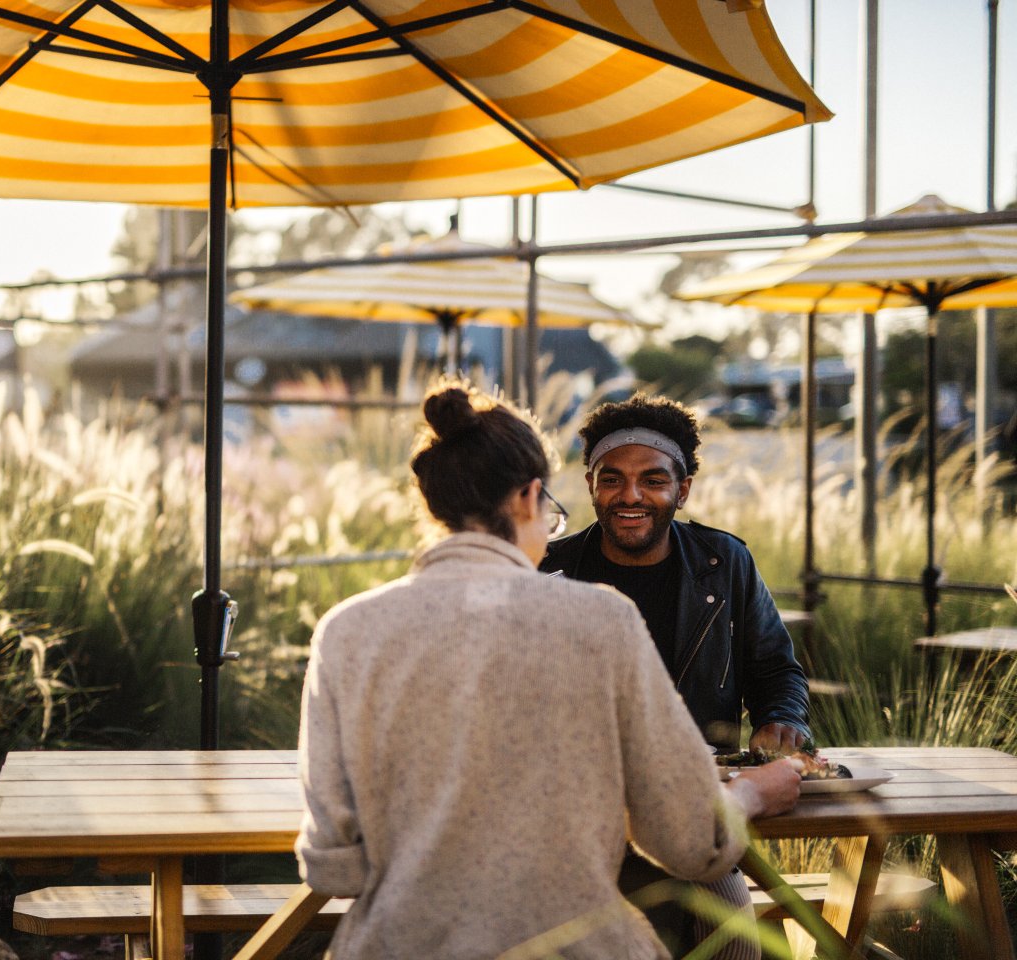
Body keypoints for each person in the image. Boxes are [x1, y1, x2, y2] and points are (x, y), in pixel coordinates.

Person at [296, 383, 802, 960]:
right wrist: (751, 796)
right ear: (531, 496)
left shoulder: (344, 631)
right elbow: (691, 845)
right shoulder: (601, 618)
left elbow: (331, 866)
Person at [539, 392, 811, 958]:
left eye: (653, 480)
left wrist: (782, 719)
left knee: (734, 932)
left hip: (697, 801)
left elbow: (775, 668)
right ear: (590, 484)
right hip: (578, 820)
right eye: (611, 479)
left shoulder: (726, 560)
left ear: (682, 489)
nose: (630, 495)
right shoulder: (549, 570)